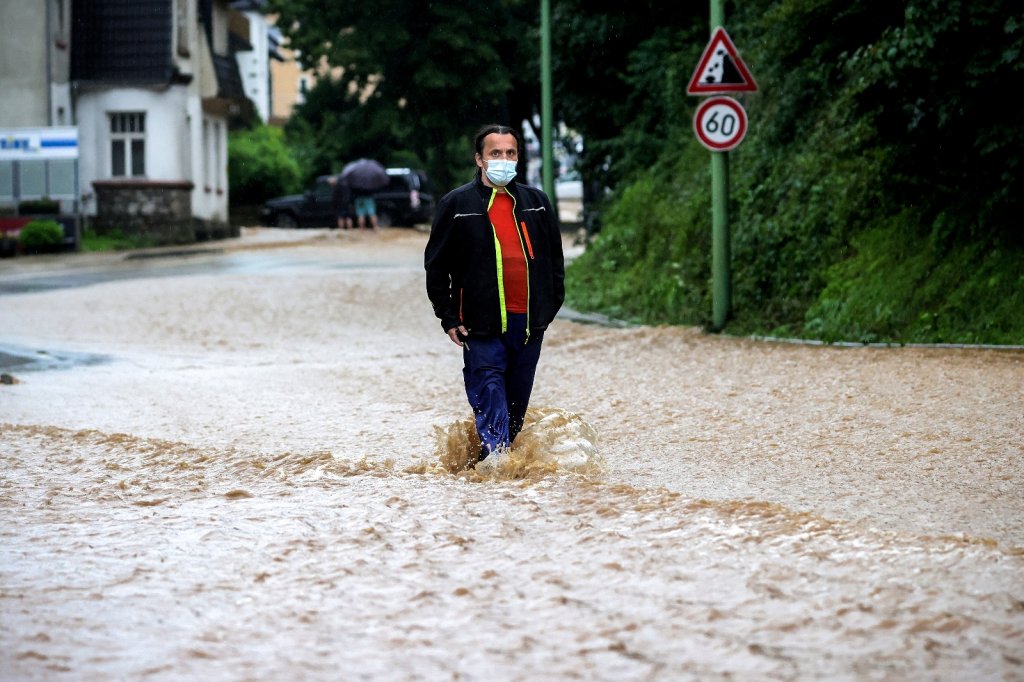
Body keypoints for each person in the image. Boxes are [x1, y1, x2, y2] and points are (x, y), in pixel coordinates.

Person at [424, 124, 565, 469]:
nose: (504, 159)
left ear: (518, 157)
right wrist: (449, 317)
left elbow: (555, 262)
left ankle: (491, 461)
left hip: (529, 325)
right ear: (480, 159)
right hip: (480, 325)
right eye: (495, 153)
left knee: (516, 407)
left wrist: (546, 312)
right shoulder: (457, 205)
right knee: (489, 391)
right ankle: (496, 465)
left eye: (510, 153)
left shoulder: (536, 203)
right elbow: (436, 265)